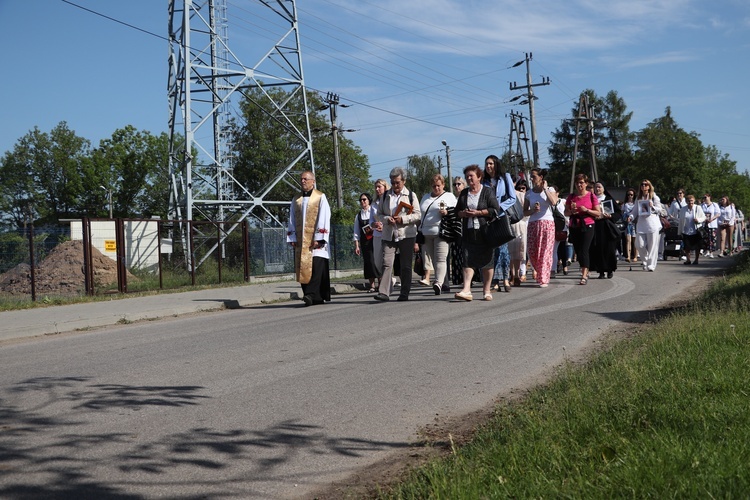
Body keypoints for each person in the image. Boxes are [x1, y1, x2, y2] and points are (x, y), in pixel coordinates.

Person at [373, 167, 421, 302]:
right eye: (393, 182)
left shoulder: (411, 195)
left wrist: (403, 219)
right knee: (387, 263)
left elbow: (418, 215)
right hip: (389, 234)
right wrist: (386, 219)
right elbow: (379, 214)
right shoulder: (385, 196)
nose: (395, 186)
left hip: (406, 234)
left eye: (398, 183)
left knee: (405, 265)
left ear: (404, 181)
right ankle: (384, 292)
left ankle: (404, 292)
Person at [453, 164, 500, 301]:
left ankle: (486, 290)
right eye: (467, 176)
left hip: (485, 231)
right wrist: (463, 213)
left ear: (479, 177)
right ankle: (466, 290)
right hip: (468, 232)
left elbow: (494, 210)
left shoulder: (487, 192)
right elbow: (456, 212)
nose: (469, 179)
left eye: (471, 176)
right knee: (467, 260)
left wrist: (478, 213)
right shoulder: (463, 193)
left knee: (487, 262)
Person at [287, 170, 331, 306]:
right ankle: (313, 296)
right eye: (301, 179)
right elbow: (292, 219)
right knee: (302, 267)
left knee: (317, 269)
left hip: (316, 241)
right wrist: (292, 237)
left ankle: (310, 295)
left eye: (305, 179)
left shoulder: (320, 197)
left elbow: (324, 216)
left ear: (313, 181)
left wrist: (319, 237)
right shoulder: (297, 199)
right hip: (302, 241)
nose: (303, 181)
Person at [483, 155, 518, 293]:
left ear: (496, 164)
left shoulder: (505, 177)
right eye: (486, 164)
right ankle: (495, 281)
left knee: (503, 250)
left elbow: (512, 197)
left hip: (502, 217)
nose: (488, 166)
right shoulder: (484, 180)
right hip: (488, 218)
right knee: (492, 250)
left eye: (491, 163)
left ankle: (505, 279)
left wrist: (499, 208)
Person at [418, 174, 457, 295]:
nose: (436, 188)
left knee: (441, 258)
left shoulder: (449, 196)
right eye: (434, 186)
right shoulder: (425, 197)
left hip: (442, 231)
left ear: (443, 185)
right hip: (426, 233)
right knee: (435, 260)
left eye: (438, 185)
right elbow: (420, 214)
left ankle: (438, 283)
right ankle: (445, 284)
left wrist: (446, 211)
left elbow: (456, 212)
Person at [523, 168, 558, 287]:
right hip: (533, 223)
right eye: (531, 177)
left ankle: (543, 278)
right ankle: (540, 272)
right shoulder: (529, 193)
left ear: (541, 177)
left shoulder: (549, 190)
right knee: (533, 252)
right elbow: (524, 212)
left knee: (545, 252)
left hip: (547, 223)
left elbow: (553, 202)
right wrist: (532, 210)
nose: (532, 179)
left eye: (534, 176)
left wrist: (546, 189)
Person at [565, 173, 599, 285]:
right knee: (578, 250)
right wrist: (572, 211)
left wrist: (587, 210)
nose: (579, 185)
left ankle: (584, 274)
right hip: (575, 224)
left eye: (581, 183)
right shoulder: (571, 197)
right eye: (577, 183)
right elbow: (566, 212)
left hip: (588, 224)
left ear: (586, 184)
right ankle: (585, 268)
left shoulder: (591, 196)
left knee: (584, 249)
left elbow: (598, 213)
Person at [629, 179, 663, 272]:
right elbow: (635, 210)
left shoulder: (654, 197)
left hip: (652, 224)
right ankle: (645, 261)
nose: (643, 186)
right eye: (642, 184)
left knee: (652, 246)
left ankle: (651, 265)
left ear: (649, 186)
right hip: (641, 225)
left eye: (645, 184)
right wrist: (631, 217)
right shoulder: (638, 198)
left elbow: (659, 209)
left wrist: (652, 206)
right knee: (639, 244)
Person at [589, 182, 620, 279]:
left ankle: (610, 270)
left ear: (603, 188)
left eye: (599, 187)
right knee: (598, 249)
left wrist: (611, 216)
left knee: (609, 249)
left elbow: (618, 212)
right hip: (596, 226)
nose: (597, 189)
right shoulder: (591, 199)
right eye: (596, 187)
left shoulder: (608, 199)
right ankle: (601, 271)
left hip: (607, 226)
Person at [353, 192, 377, 292]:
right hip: (365, 242)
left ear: (369, 200)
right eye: (361, 200)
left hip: (375, 239)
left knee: (377, 261)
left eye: (364, 199)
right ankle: (372, 285)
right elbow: (356, 232)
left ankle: (381, 283)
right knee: (368, 262)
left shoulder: (374, 211)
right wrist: (357, 246)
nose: (362, 201)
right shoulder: (358, 215)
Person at [508, 178, 529, 286]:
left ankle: (516, 274)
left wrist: (522, 221)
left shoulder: (521, 195)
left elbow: (526, 212)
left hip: (520, 226)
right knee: (509, 253)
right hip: (507, 226)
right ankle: (512, 274)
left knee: (518, 253)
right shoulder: (502, 195)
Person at [677, 194, 706, 265]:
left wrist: (698, 220)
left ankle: (696, 259)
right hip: (686, 230)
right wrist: (679, 231)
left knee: (697, 246)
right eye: (689, 201)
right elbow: (680, 221)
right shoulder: (683, 209)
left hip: (696, 230)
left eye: (692, 201)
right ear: (686, 201)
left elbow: (704, 217)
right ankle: (688, 259)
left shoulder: (698, 208)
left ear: (694, 201)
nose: (690, 202)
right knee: (687, 246)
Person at [450, 176, 466, 286]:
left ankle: (468, 278)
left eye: (459, 184)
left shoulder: (467, 197)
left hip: (466, 229)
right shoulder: (452, 199)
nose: (456, 186)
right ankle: (459, 278)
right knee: (456, 254)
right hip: (455, 230)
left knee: (466, 254)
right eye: (455, 184)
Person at [620, 188, 638, 262]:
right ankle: (628, 255)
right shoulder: (625, 204)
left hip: (634, 223)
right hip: (627, 224)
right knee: (628, 240)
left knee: (634, 240)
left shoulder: (635, 204)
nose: (630, 196)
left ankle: (635, 256)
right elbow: (622, 213)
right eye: (628, 195)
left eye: (631, 194)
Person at [700, 193, 720, 258]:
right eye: (704, 197)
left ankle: (711, 252)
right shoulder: (702, 205)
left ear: (709, 197)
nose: (705, 199)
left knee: (712, 238)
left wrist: (712, 219)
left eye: (706, 197)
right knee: (705, 238)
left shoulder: (714, 205)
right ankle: (707, 250)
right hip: (705, 223)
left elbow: (718, 213)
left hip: (712, 224)